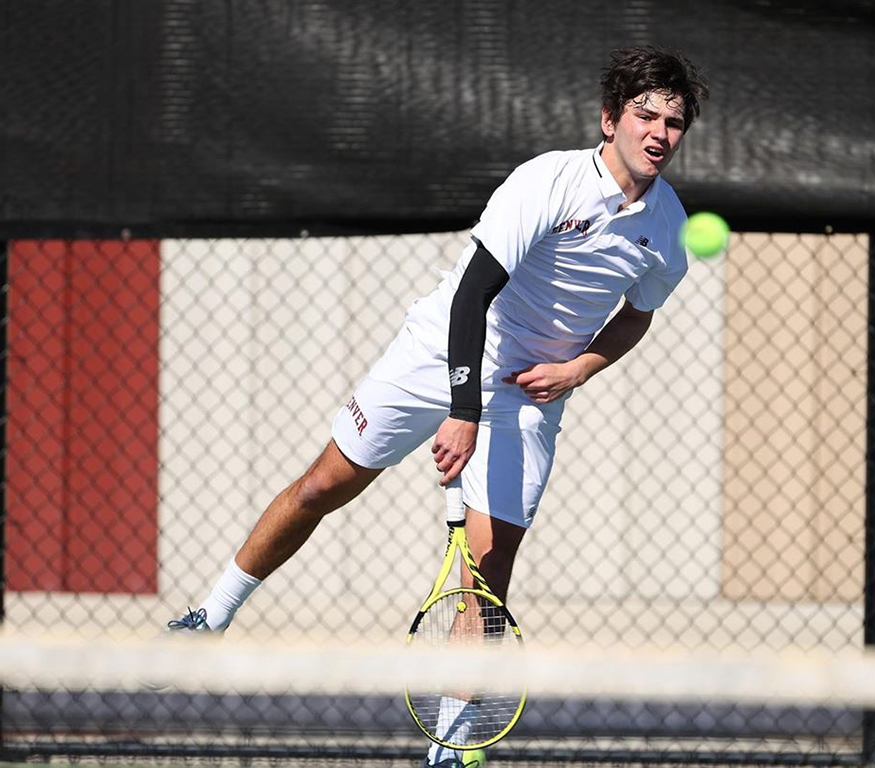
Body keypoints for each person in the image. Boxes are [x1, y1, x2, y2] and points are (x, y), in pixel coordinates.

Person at [167, 45, 709, 768]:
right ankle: (213, 613)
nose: (659, 133)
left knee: (484, 576)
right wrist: (463, 407)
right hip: (439, 353)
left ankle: (451, 746)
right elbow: (471, 295)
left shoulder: (668, 226)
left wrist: (577, 368)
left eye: (674, 122)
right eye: (645, 115)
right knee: (324, 484)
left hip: (527, 395)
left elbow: (637, 316)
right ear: (609, 119)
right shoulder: (544, 183)